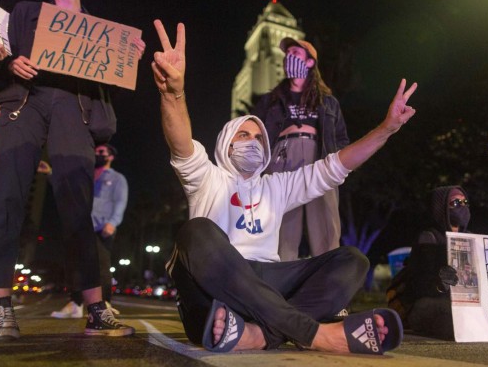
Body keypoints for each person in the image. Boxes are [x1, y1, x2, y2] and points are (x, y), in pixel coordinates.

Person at [152, 20, 416, 354]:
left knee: (352, 260)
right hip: (214, 291)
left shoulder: (277, 186)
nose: (253, 142)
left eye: (260, 137)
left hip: (265, 286)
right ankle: (316, 334)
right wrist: (173, 93)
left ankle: (258, 335)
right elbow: (179, 144)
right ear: (225, 142)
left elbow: (337, 164)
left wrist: (387, 128)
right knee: (195, 233)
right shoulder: (207, 175)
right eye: (243, 135)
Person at [0, 0, 143, 340]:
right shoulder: (24, 12)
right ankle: (1, 308)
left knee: (77, 205)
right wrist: (7, 62)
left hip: (73, 109)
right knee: (6, 198)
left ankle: (96, 309)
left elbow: (114, 87)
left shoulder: (101, 31)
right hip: (24, 103)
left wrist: (127, 58)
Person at [253, 38, 348, 261]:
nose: (289, 57)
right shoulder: (270, 100)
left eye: (295, 52)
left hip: (319, 158)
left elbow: (342, 138)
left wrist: (337, 166)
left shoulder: (328, 101)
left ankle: (326, 281)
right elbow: (255, 130)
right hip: (281, 156)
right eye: (287, 54)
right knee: (283, 226)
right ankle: (279, 282)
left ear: (309, 61)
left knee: (325, 223)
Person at [49, 143, 128, 318]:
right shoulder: (86, 175)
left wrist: (113, 223)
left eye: (101, 152)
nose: (97, 154)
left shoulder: (117, 178)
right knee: (76, 264)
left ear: (110, 156)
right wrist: (49, 173)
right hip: (81, 225)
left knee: (101, 265)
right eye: (95, 151)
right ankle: (76, 304)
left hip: (102, 227)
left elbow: (120, 202)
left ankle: (104, 303)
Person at [402, 186, 469, 340]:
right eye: (457, 203)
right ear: (441, 207)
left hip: (461, 303)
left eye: (465, 202)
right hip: (428, 302)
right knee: (453, 315)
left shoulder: (471, 239)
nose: (463, 207)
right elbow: (418, 286)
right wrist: (440, 283)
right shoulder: (429, 238)